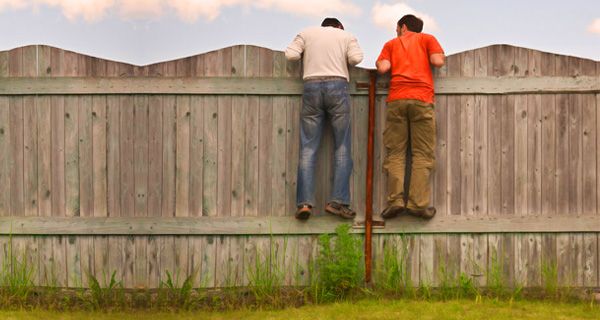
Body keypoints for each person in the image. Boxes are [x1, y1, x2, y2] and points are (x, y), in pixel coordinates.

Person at [285, 17, 364, 220]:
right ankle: (337, 202)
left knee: (308, 149)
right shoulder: (346, 35)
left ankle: (304, 203)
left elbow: (291, 55)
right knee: (342, 147)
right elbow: (356, 59)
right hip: (337, 86)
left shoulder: (306, 33)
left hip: (311, 86)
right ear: (339, 27)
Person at [375, 14, 445, 219]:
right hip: (422, 99)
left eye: (397, 29)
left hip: (396, 99)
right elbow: (438, 61)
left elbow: (383, 68)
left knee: (396, 153)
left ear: (403, 27)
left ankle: (395, 201)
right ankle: (417, 204)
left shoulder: (391, 44)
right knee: (422, 154)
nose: (396, 33)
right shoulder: (427, 39)